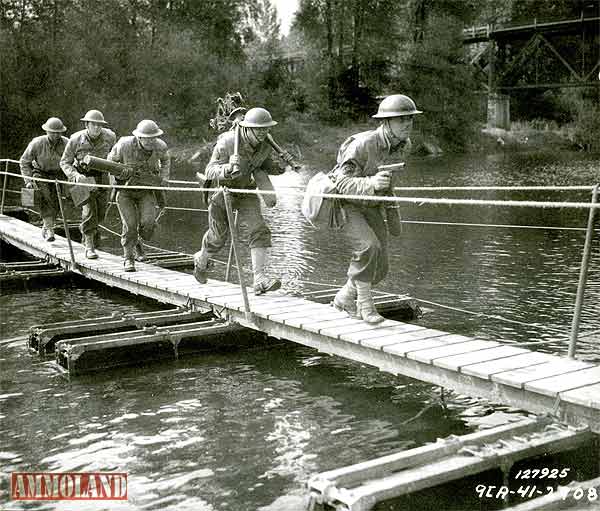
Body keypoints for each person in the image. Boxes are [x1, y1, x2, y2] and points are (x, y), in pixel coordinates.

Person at [329, 94, 422, 324]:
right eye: (401, 120)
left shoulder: (405, 145)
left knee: (380, 267)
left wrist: (390, 204)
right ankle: (365, 307)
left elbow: (390, 179)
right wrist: (371, 184)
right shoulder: (362, 145)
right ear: (386, 122)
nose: (407, 124)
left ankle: (343, 298)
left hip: (373, 205)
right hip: (346, 204)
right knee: (368, 247)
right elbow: (341, 183)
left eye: (410, 119)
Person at [193, 107, 283, 295]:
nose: (262, 132)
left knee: (259, 230)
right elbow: (210, 171)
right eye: (258, 129)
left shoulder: (266, 144)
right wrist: (226, 169)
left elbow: (265, 165)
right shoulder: (228, 142)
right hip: (221, 192)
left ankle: (259, 279)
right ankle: (201, 260)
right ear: (247, 128)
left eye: (266, 128)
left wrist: (280, 166)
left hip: (246, 192)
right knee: (218, 238)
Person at [107, 120, 170, 272]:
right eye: (146, 138)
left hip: (146, 190)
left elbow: (166, 161)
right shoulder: (124, 144)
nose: (150, 141)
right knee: (129, 225)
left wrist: (163, 177)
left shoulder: (160, 146)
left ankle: (139, 242)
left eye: (153, 138)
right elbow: (109, 162)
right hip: (125, 191)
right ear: (139, 137)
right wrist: (120, 172)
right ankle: (129, 258)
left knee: (148, 223)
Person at [60, 110, 116, 259]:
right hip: (82, 178)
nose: (97, 128)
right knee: (89, 211)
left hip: (102, 178)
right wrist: (75, 175)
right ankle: (89, 246)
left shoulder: (110, 137)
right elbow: (64, 162)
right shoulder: (75, 139)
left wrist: (115, 176)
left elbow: (115, 157)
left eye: (99, 125)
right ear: (87, 125)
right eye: (93, 125)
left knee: (101, 213)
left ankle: (86, 234)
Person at [19, 117, 69, 241]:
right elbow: (24, 162)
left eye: (58, 132)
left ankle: (47, 226)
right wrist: (28, 181)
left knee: (58, 202)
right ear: (46, 131)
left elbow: (72, 160)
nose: (55, 135)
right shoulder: (37, 143)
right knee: (44, 196)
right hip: (40, 173)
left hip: (59, 174)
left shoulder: (67, 143)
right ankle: (50, 230)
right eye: (52, 132)